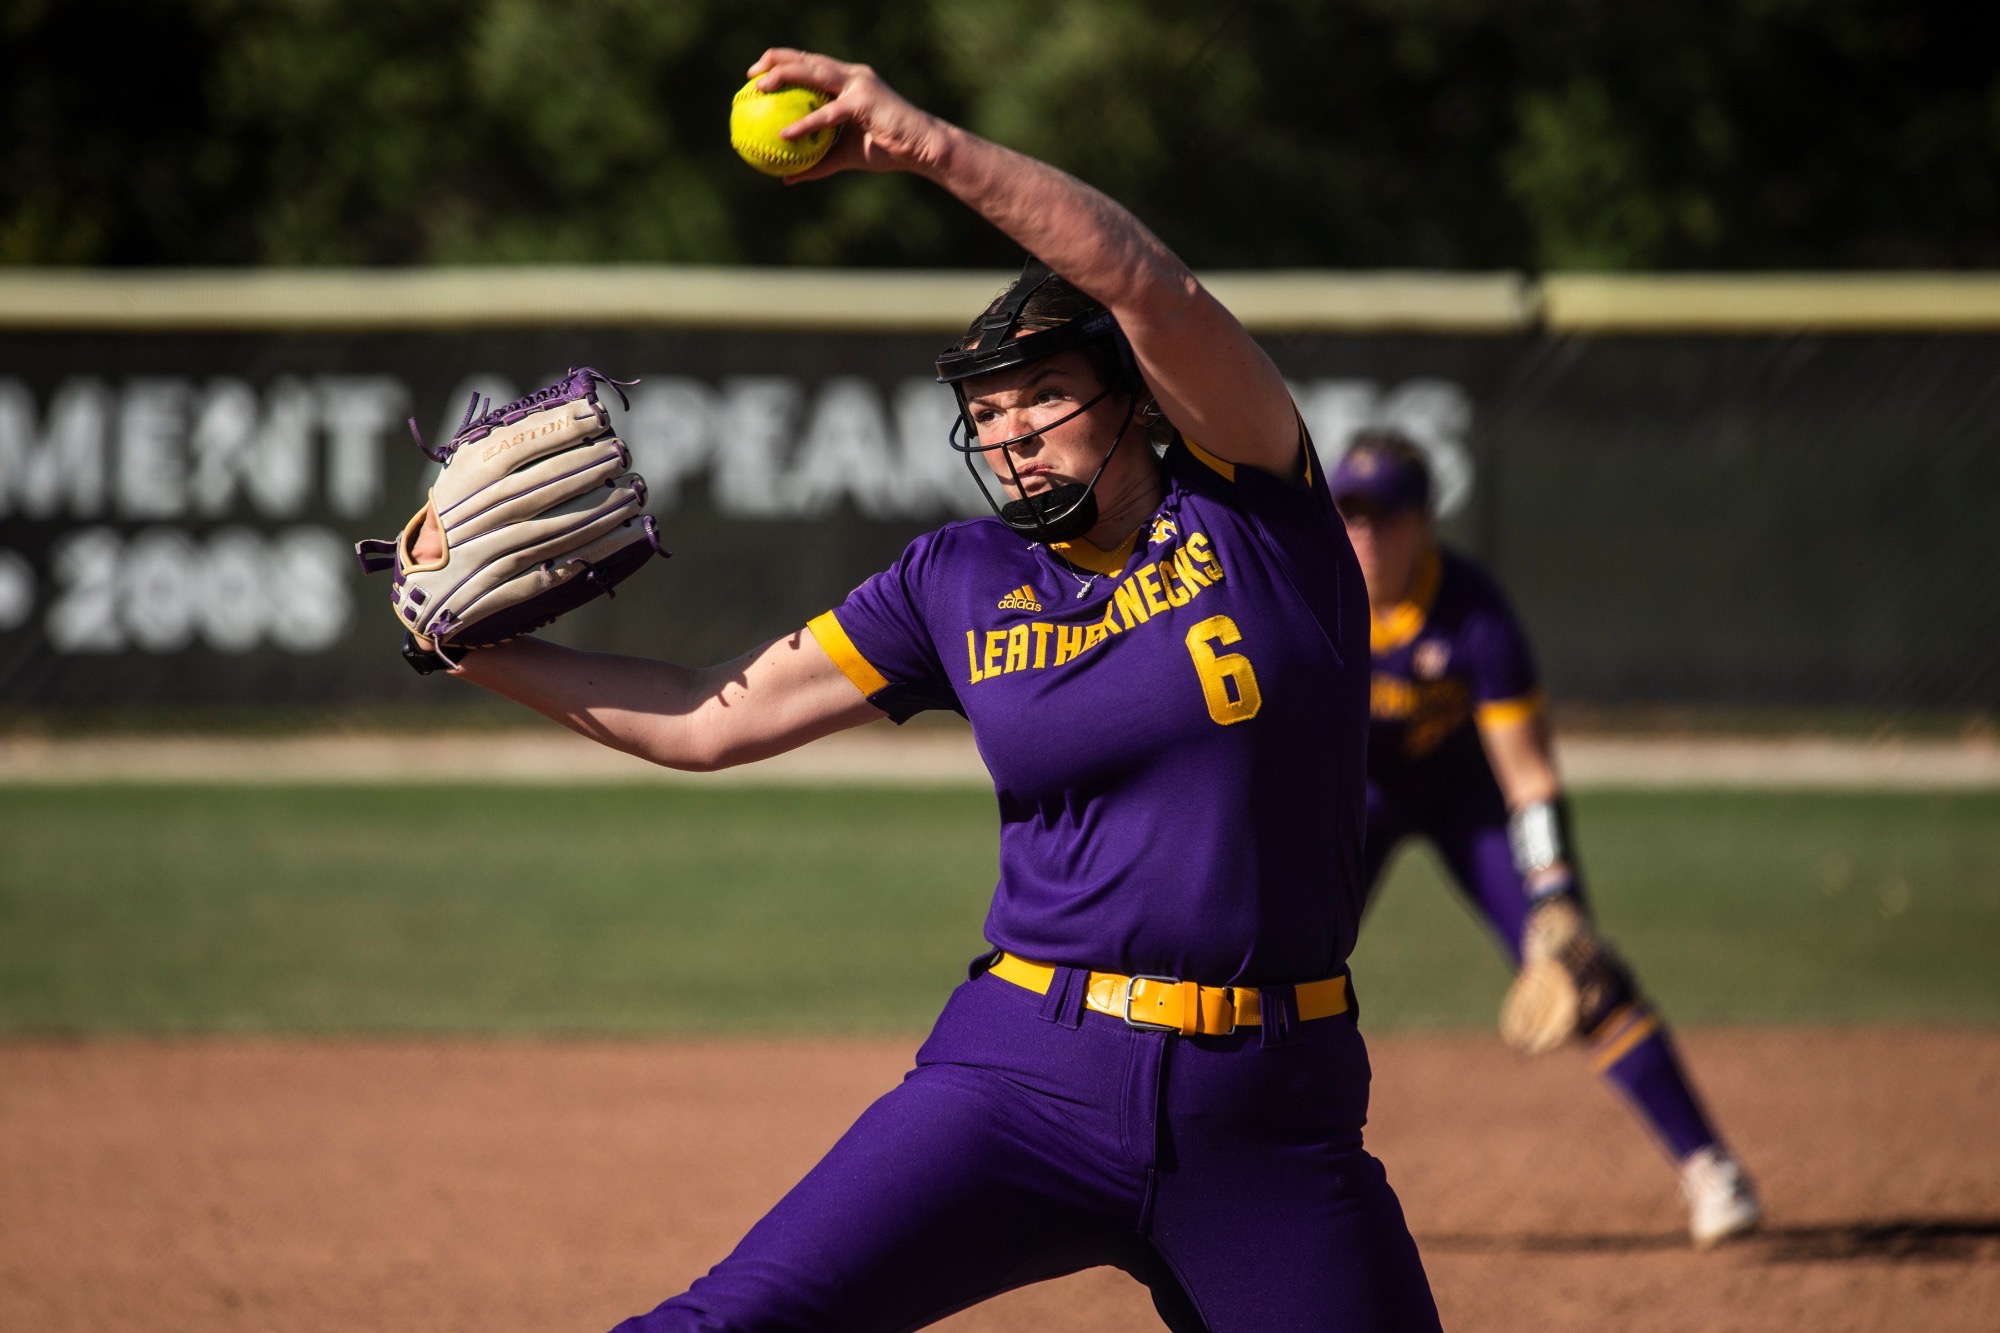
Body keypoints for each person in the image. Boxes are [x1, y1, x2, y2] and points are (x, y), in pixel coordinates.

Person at [404, 47, 1441, 1333]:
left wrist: (927, 148)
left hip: (1267, 1109)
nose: (1008, 434)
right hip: (1022, 1072)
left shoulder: (1258, 518)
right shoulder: (955, 582)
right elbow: (706, 713)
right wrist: (474, 649)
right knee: (732, 1323)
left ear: (1138, 406)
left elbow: (1147, 287)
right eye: (988, 409)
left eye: (1045, 396)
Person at [1329, 430, 1762, 1249]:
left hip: (1470, 799)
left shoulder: (1474, 615)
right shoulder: (1316, 598)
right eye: (1349, 515)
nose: (1365, 536)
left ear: (1424, 522)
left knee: (1580, 968)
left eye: (1384, 516)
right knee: (1271, 967)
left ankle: (1711, 1165)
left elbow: (1526, 776)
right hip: (1361, 799)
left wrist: (1554, 891)